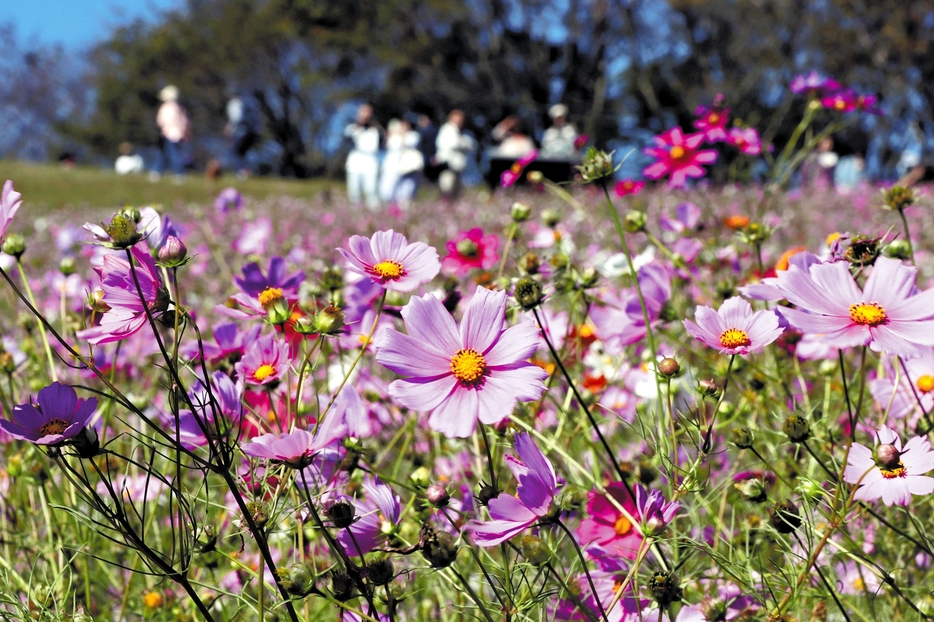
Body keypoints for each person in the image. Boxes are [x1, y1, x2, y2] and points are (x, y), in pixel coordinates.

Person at [344, 104, 382, 210]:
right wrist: (358, 124)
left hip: (370, 162)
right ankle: (356, 216)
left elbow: (382, 143)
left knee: (371, 190)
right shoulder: (352, 128)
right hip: (355, 162)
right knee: (354, 191)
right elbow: (347, 141)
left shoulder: (376, 129)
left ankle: (375, 214)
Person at [435, 109, 476, 200]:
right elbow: (454, 143)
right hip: (449, 165)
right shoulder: (449, 129)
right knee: (447, 188)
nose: (461, 122)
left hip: (456, 166)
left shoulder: (457, 130)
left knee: (455, 190)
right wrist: (465, 143)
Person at [156, 85, 190, 180]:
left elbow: (163, 121)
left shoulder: (167, 107)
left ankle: (179, 173)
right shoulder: (179, 108)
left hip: (169, 133)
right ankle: (157, 171)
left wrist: (165, 129)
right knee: (166, 153)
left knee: (171, 154)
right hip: (177, 134)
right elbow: (185, 121)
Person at [225, 94, 259, 178]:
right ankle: (247, 171)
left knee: (237, 152)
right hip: (252, 131)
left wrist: (230, 127)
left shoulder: (235, 104)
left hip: (242, 132)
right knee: (243, 152)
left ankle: (242, 171)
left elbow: (237, 118)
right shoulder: (246, 104)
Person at [394, 119, 424, 209]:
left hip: (411, 168)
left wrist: (402, 135)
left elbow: (410, 143)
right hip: (401, 169)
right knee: (398, 192)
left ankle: (406, 208)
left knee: (409, 190)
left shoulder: (413, 135)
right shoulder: (396, 136)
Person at [380, 119, 406, 203]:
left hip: (397, 165)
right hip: (389, 165)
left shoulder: (402, 138)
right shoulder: (390, 138)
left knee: (394, 187)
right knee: (385, 187)